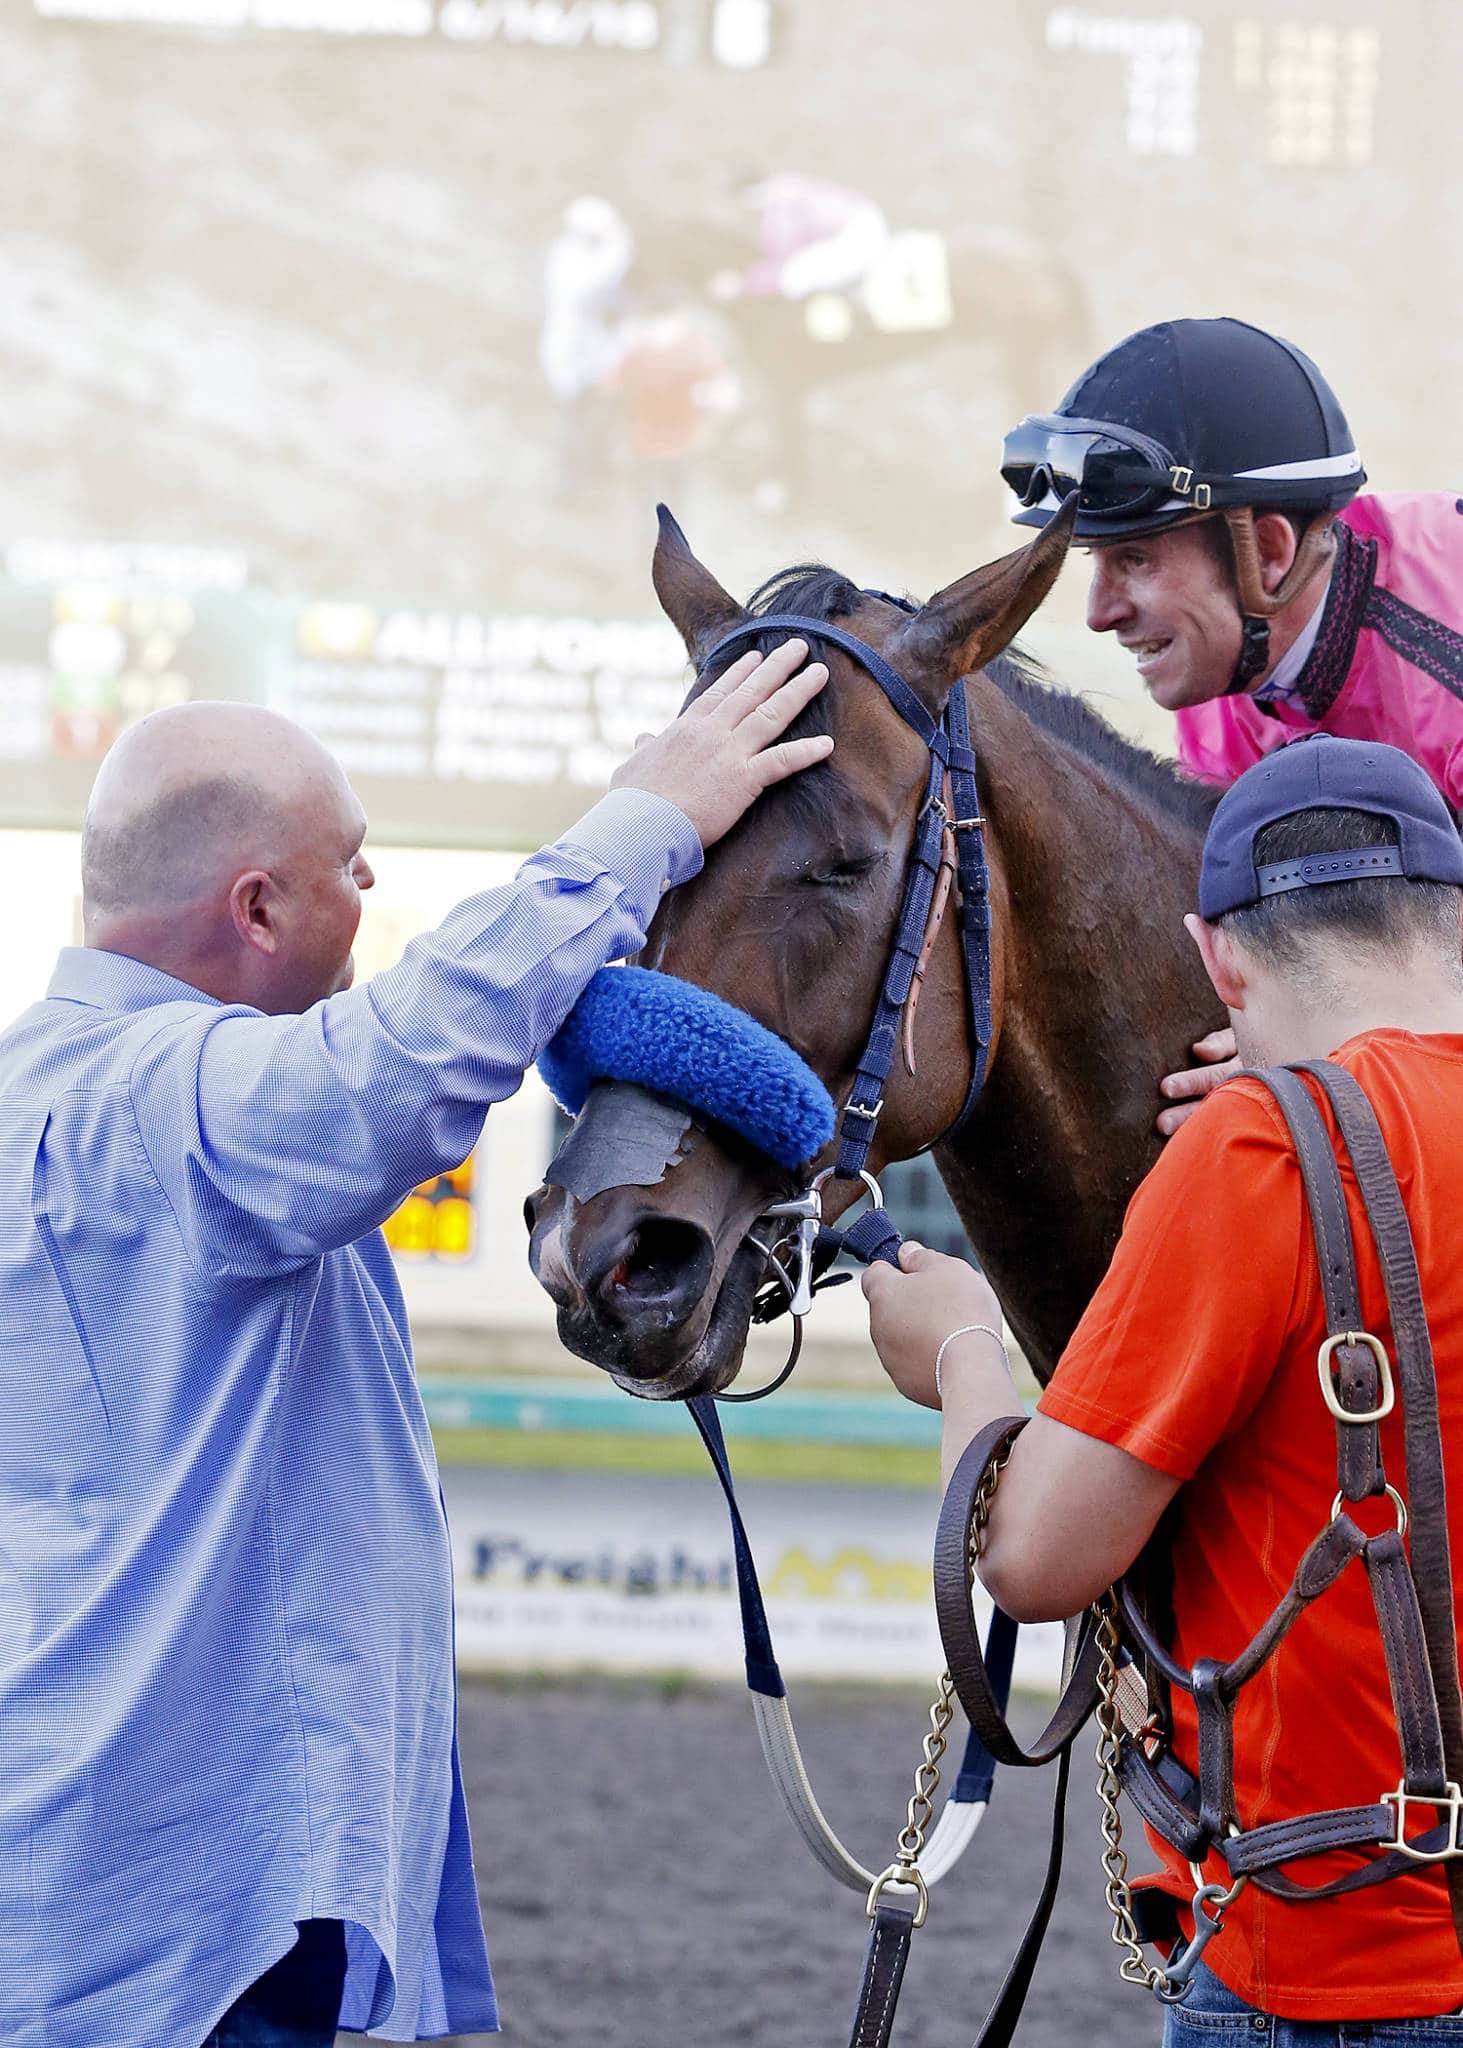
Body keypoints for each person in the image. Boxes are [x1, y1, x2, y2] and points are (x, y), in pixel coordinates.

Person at [0, 641, 833, 2048]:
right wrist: (640, 818)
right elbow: (398, 1064)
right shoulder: (163, 1099)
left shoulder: (53, 1088)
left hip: (136, 1873)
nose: (374, 893)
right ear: (258, 905)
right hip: (201, 1912)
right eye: (354, 862)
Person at [864, 733, 1463, 2041]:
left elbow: (1032, 1562)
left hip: (1344, 1967)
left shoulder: (1256, 1151)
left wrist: (960, 1348)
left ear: (1215, 955)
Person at [999, 316, 1463, 1135]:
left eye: (1133, 559)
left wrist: (1332, 1043)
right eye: (1095, 564)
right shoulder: (1222, 688)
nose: (1100, 612)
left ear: (1270, 552)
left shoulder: (1443, 647)